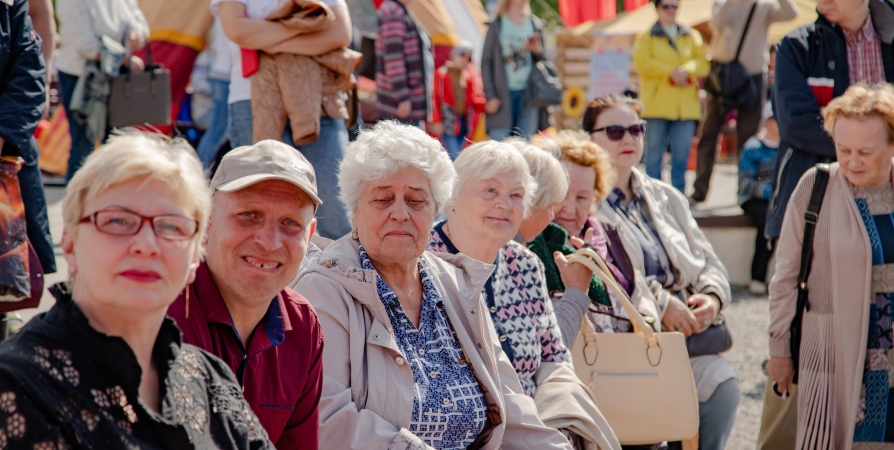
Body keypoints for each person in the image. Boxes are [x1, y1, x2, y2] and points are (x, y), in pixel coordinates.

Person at [293, 121, 574, 450]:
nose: (400, 213)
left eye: (416, 201)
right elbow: (328, 419)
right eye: (383, 199)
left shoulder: (457, 284)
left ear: (436, 210)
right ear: (355, 212)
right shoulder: (323, 290)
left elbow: (513, 411)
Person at [0, 133, 273, 447]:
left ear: (196, 257)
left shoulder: (211, 380)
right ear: (71, 245)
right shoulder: (17, 387)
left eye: (171, 226)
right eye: (117, 220)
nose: (146, 245)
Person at [427, 140, 621, 450]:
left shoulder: (525, 264)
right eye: (490, 190)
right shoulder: (421, 265)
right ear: (452, 195)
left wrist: (548, 427)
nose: (504, 204)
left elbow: (555, 358)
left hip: (536, 428)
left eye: (516, 195)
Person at [585, 94, 740, 450]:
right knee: (650, 428)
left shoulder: (668, 196)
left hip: (688, 338)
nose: (628, 139)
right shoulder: (583, 201)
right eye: (614, 131)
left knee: (724, 388)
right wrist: (660, 301)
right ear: (589, 138)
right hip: (629, 344)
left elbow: (709, 261)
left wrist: (713, 299)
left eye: (636, 129)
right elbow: (601, 272)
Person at [167, 141, 324, 448]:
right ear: (206, 221)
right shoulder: (164, 307)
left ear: (310, 235)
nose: (269, 241)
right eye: (249, 214)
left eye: (290, 223)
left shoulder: (303, 327)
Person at [767, 84, 894, 449]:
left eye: (865, 152)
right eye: (843, 149)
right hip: (834, 349)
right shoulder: (815, 186)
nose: (852, 161)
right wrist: (779, 350)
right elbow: (785, 278)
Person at [214, 0, 353, 239]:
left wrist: (266, 37)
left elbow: (341, 33)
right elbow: (237, 31)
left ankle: (339, 276)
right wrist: (308, 27)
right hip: (252, 102)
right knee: (265, 213)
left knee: (338, 218)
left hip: (318, 101)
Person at [766, 0, 894, 241]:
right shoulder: (796, 46)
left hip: (886, 203)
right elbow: (796, 124)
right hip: (813, 208)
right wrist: (874, 147)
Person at [548, 130, 656, 338]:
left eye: (581, 198)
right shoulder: (531, 241)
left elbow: (640, 293)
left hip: (623, 358)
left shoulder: (610, 234)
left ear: (595, 197)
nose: (570, 208)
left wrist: (645, 322)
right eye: (562, 194)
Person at [690, 0, 797, 204]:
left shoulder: (765, 6)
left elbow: (791, 14)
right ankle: (700, 189)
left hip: (753, 76)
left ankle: (744, 188)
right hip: (723, 74)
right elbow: (717, 23)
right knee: (709, 133)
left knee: (748, 136)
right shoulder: (723, 2)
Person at [56, 0, 149, 182]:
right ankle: (78, 205)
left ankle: (113, 199)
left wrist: (138, 33)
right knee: (83, 146)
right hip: (80, 77)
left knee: (118, 145)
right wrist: (123, 59)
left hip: (116, 78)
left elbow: (138, 20)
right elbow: (84, 43)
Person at [0, 0, 56, 276]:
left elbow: (28, 73)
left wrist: (3, 134)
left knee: (7, 279)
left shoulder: (10, 6)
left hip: (6, 151)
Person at [631, 0, 708, 193]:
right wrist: (671, 72)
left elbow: (703, 63)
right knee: (654, 154)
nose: (671, 10)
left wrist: (686, 70)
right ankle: (652, 196)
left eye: (674, 5)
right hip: (657, 105)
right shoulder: (645, 36)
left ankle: (678, 198)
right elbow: (642, 63)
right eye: (665, 6)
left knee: (681, 157)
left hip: (685, 107)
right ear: (657, 8)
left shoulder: (691, 35)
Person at [481, 0, 545, 140]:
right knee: (499, 145)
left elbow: (544, 62)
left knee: (524, 145)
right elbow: (486, 63)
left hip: (529, 94)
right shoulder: (497, 25)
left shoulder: (534, 24)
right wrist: (490, 96)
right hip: (502, 94)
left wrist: (537, 51)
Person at [738, 103, 778, 295]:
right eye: (774, 119)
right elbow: (745, 183)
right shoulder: (753, 147)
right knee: (767, 220)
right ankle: (758, 276)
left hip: (778, 200)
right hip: (753, 200)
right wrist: (770, 192)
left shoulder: (790, 148)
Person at [375, 0, 432, 127]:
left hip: (408, 103)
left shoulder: (398, 9)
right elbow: (393, 57)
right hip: (400, 106)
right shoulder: (392, 12)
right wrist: (402, 96)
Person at [430, 41, 486, 160]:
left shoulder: (467, 77)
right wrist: (436, 120)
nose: (464, 59)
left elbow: (472, 100)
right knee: (455, 156)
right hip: (448, 121)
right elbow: (434, 98)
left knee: (459, 154)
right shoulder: (441, 74)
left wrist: (486, 105)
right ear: (454, 54)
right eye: (462, 55)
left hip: (462, 122)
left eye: (468, 58)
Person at [195, 17, 232, 171]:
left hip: (226, 73)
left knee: (222, 131)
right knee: (219, 130)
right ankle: (200, 172)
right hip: (225, 75)